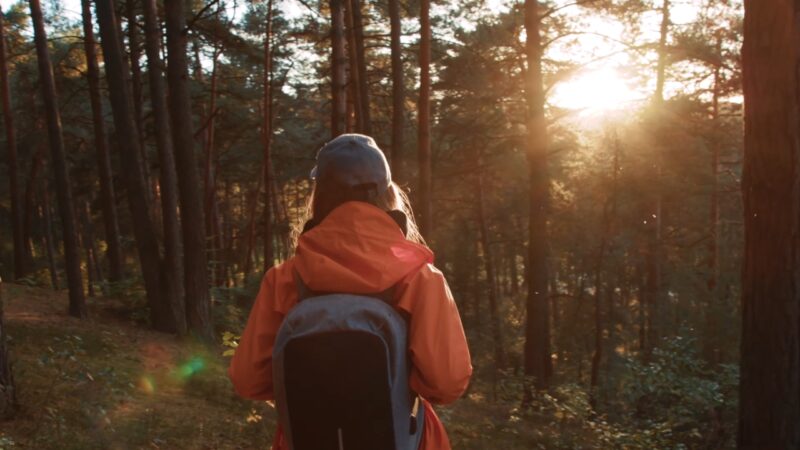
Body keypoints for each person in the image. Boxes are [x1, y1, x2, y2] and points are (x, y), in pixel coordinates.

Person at [228, 134, 472, 450]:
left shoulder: (286, 279)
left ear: (319, 198)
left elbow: (248, 380)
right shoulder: (420, 279)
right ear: (387, 196)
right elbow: (447, 383)